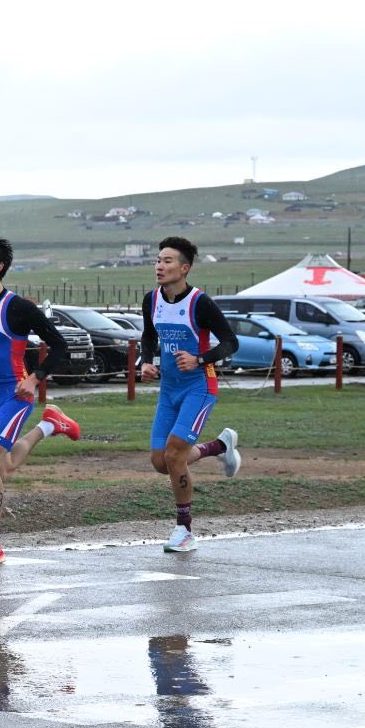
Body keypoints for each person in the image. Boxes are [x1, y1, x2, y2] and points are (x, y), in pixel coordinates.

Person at [0, 238, 82, 568]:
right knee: (4, 467)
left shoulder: (18, 308)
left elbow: (59, 345)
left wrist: (35, 378)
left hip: (15, 395)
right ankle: (50, 425)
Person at [140, 237, 242, 554]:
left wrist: (200, 359)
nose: (160, 266)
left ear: (184, 269)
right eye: (158, 260)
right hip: (168, 390)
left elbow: (231, 342)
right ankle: (219, 447)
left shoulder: (200, 302)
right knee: (161, 462)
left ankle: (184, 530)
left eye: (167, 261)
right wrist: (146, 361)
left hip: (199, 387)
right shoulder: (151, 299)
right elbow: (148, 334)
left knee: (174, 455)